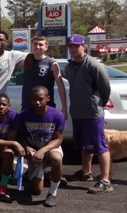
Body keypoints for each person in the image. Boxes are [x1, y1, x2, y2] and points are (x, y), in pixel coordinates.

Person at [64, 34, 112, 194]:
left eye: (76, 46)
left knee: (100, 146)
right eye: (70, 46)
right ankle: (86, 172)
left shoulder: (93, 64)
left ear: (83, 46)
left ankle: (105, 181)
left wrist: (98, 104)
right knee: (84, 144)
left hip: (92, 113)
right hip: (77, 112)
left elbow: (105, 88)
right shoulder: (70, 66)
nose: (73, 49)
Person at [18, 85, 65, 207]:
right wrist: (26, 147)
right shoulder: (24, 115)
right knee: (36, 191)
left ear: (48, 98)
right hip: (33, 150)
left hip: (49, 147)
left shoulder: (57, 115)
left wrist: (43, 150)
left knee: (57, 159)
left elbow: (58, 140)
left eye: (40, 99)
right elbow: (20, 136)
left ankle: (52, 193)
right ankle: (43, 175)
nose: (37, 102)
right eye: (34, 99)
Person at [22, 35, 68, 120]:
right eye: (35, 44)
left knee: (47, 132)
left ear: (46, 47)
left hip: (46, 107)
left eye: (40, 44)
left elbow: (61, 86)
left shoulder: (52, 63)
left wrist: (64, 108)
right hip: (27, 107)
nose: (37, 47)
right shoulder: (26, 61)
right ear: (31, 45)